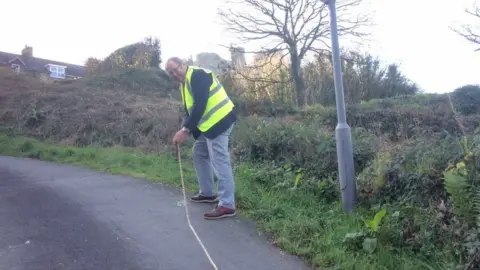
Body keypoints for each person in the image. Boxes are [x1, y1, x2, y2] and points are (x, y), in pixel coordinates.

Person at [165, 57, 237, 220]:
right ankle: (208, 193)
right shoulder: (184, 84)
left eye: (176, 69)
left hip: (220, 122)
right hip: (209, 126)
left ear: (183, 64)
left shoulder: (197, 75)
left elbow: (201, 104)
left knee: (220, 161)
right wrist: (185, 130)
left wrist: (185, 130)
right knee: (199, 152)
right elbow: (191, 111)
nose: (175, 74)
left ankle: (227, 205)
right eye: (171, 73)